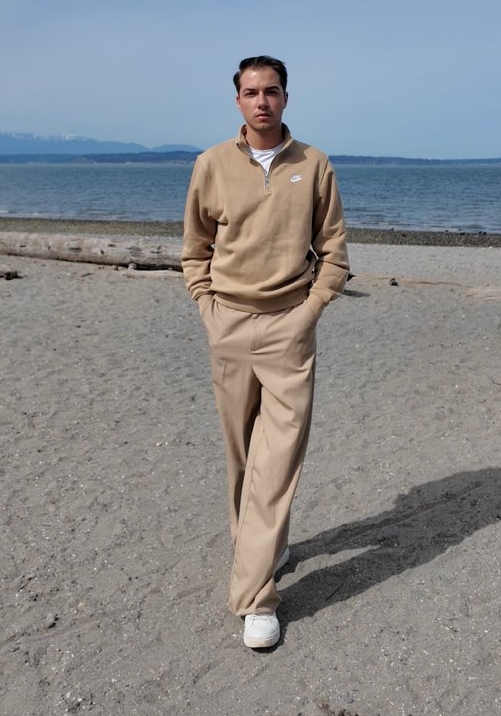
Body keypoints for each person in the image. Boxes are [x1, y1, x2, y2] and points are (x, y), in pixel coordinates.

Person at [181, 55, 349, 649]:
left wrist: (308, 313)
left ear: (285, 98)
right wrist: (207, 308)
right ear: (238, 100)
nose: (262, 101)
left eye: (271, 91)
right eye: (251, 92)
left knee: (276, 460)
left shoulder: (314, 164)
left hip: (288, 329)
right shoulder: (211, 163)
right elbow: (195, 249)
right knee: (241, 457)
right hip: (228, 324)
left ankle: (256, 599)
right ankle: (260, 549)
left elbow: (334, 253)